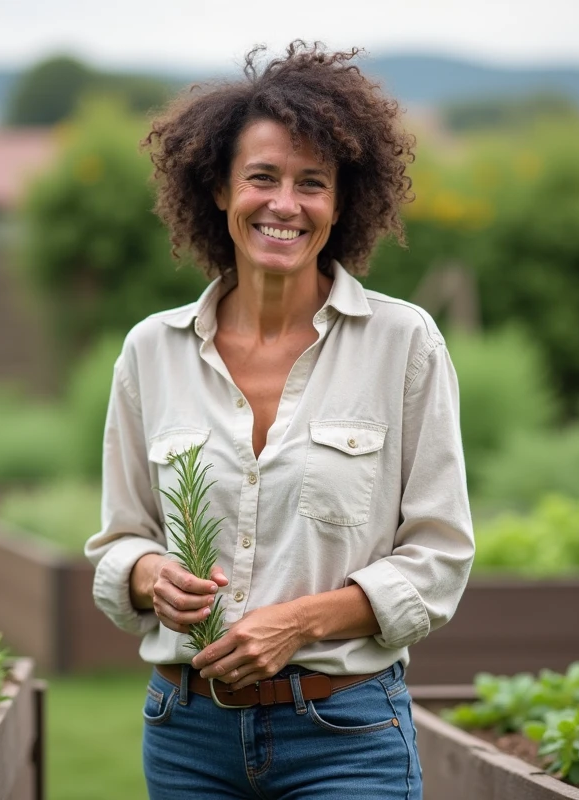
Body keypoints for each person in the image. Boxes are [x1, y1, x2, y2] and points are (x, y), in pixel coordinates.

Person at [85, 41, 474, 800]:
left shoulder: (404, 345)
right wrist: (149, 576)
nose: (285, 204)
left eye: (312, 184)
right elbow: (117, 542)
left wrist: (298, 625)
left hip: (346, 735)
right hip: (185, 734)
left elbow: (438, 560)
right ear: (221, 192)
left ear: (342, 202)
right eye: (261, 177)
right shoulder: (150, 352)